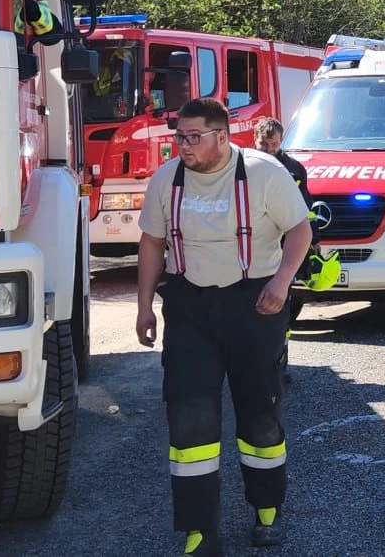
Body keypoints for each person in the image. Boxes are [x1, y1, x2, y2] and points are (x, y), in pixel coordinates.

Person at [135, 98, 313, 555]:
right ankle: (199, 530)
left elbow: (299, 231)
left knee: (260, 411)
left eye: (194, 137)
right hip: (190, 308)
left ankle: (267, 511)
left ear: (222, 135)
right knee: (189, 420)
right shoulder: (165, 179)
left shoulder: (263, 173)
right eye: (179, 136)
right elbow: (153, 243)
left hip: (253, 306)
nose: (184, 146)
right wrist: (143, 308)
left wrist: (280, 282)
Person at [254, 116, 326, 385]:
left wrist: (314, 240)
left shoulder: (294, 169)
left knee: (282, 307)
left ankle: (278, 365)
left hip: (286, 248)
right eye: (264, 144)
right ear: (255, 140)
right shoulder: (245, 166)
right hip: (255, 247)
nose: (269, 149)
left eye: (273, 144)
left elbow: (306, 209)